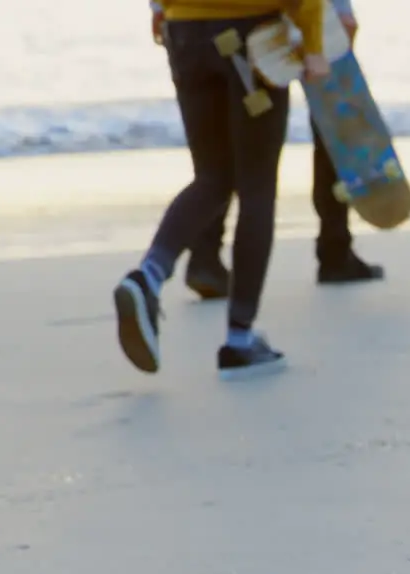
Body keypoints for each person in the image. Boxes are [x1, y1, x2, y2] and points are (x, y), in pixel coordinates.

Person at [115, 0, 331, 377]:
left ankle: (147, 275)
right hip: (252, 32)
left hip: (183, 31)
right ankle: (239, 340)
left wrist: (159, 9)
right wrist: (313, 45)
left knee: (212, 177)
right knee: (257, 188)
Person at [151, 0, 384, 301]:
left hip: (187, 25)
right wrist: (337, 13)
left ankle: (202, 258)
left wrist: (158, 6)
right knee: (323, 116)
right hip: (263, 21)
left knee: (215, 168)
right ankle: (334, 248)